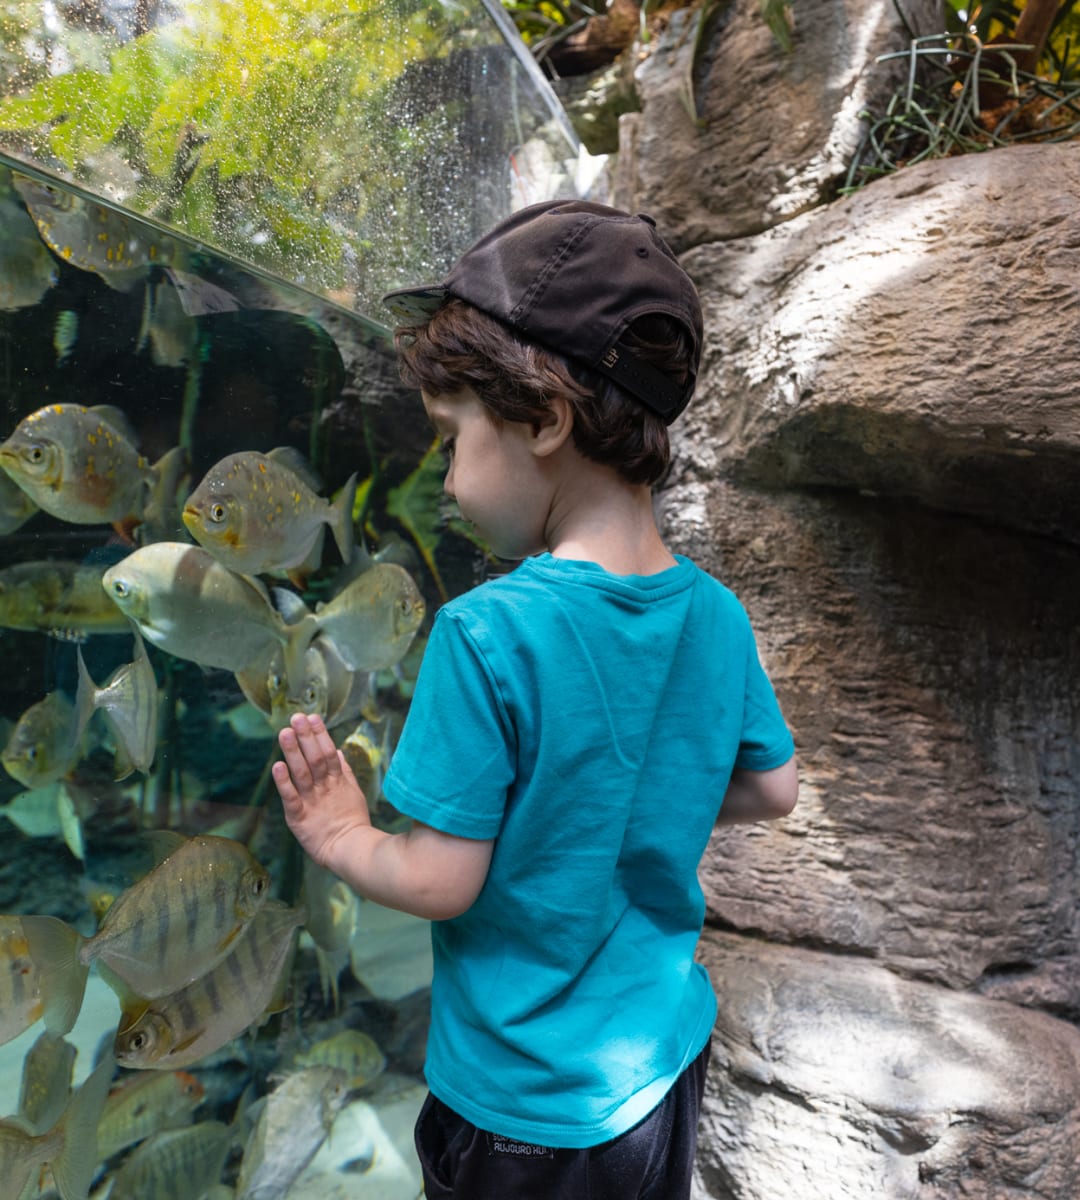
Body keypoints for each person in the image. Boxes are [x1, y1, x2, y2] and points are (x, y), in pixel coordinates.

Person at [272, 200, 798, 1199]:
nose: (448, 478)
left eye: (453, 436)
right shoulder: (716, 616)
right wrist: (641, 789)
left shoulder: (489, 632)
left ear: (545, 422)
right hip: (657, 1074)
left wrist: (341, 834)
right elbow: (774, 790)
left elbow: (439, 880)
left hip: (520, 1104)